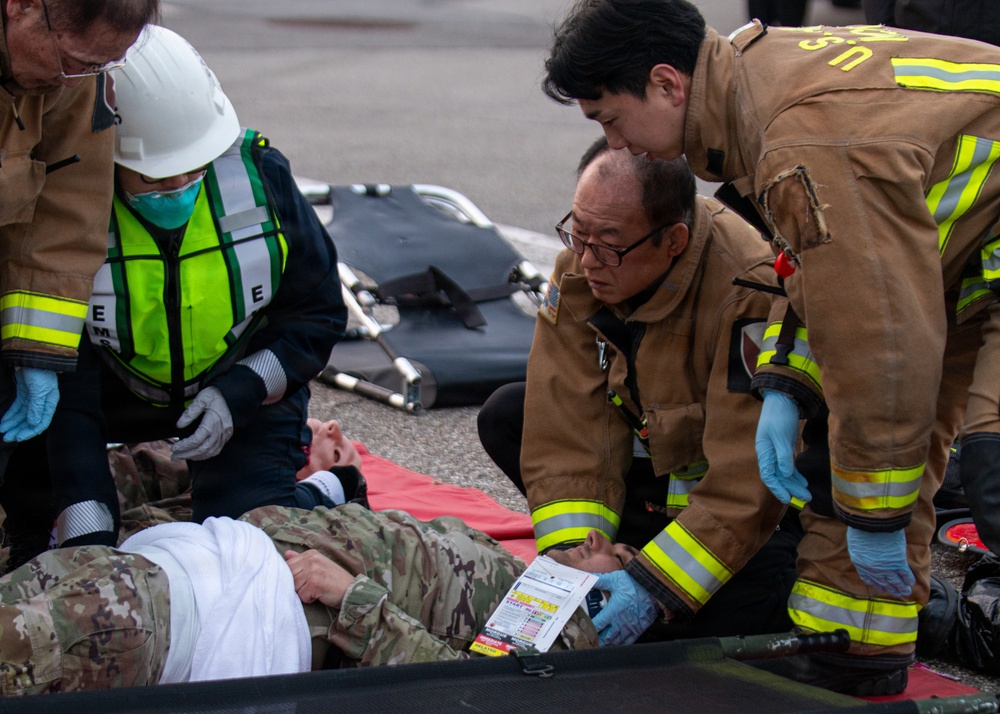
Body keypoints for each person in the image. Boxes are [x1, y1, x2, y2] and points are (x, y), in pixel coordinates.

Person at [540, 0, 1000, 695]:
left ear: (667, 84)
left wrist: (875, 518)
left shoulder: (799, 144)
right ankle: (857, 656)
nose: (619, 145)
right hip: (958, 261)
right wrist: (787, 379)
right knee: (849, 455)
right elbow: (822, 277)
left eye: (609, 118)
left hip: (966, 266)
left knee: (988, 473)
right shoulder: (756, 93)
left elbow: (879, 349)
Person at [0, 25, 347, 562]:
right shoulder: (71, 217)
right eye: (156, 181)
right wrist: (86, 540)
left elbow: (317, 316)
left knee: (248, 536)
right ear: (108, 162)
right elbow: (72, 390)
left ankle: (332, 485)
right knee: (48, 531)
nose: (179, 188)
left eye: (194, 172)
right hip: (114, 394)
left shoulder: (261, 181)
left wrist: (242, 391)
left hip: (239, 390)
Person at [479, 137, 799, 648]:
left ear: (673, 240)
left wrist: (654, 588)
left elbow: (748, 475)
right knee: (508, 413)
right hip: (657, 477)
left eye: (608, 245)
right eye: (576, 234)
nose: (586, 261)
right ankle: (639, 559)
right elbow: (564, 419)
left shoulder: (749, 290)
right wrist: (577, 563)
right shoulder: (582, 268)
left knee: (740, 617)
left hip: (750, 503)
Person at [0, 456, 610, 693]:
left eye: (620, 559)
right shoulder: (510, 568)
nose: (596, 539)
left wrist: (355, 601)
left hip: (207, 610)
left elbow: (475, 697)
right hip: (169, 561)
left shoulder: (562, 617)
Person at [0, 0, 160, 576]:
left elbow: (65, 214)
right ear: (21, 6)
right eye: (70, 57)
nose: (74, 78)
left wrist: (37, 351)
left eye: (97, 67)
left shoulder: (72, 79)